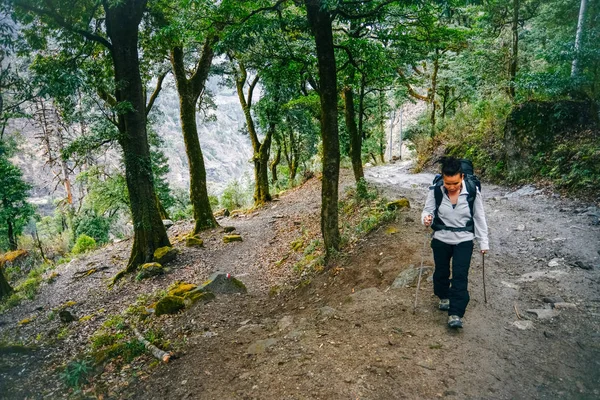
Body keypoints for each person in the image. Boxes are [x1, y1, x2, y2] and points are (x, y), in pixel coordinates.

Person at [421, 157, 489, 329]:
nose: (451, 187)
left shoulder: (472, 192)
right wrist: (426, 219)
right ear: (442, 178)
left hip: (464, 240)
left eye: (455, 183)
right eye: (447, 183)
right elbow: (427, 210)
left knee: (460, 276)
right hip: (441, 238)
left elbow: (479, 218)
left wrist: (483, 242)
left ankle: (455, 313)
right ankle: (443, 295)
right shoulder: (436, 190)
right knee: (441, 271)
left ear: (462, 177)